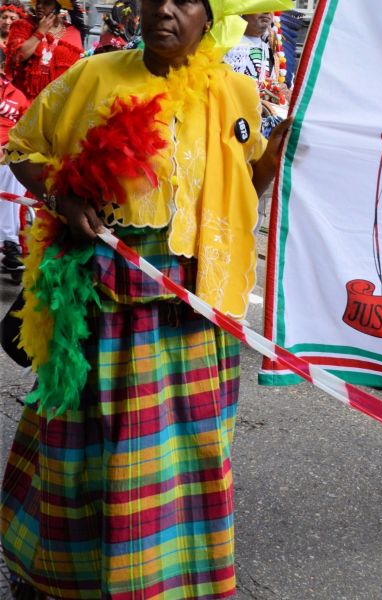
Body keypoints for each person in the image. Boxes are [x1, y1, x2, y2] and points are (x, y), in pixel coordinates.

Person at [0, 0, 293, 596]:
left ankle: (170, 580)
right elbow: (23, 150)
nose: (165, 10)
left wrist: (274, 153)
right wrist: (64, 197)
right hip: (102, 311)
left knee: (184, 459)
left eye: (185, 0)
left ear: (207, 18)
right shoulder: (94, 76)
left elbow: (245, 191)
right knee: (86, 457)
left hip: (196, 310)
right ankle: (66, 578)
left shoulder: (237, 94)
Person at [4, 0, 82, 100]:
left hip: (55, 101)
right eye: (38, 1)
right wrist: (40, 32)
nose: (39, 6)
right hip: (24, 99)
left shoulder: (72, 31)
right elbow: (17, 56)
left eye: (46, 2)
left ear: (58, 6)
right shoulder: (22, 25)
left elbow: (74, 72)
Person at [0, 44, 28, 279]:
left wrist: (8, 147)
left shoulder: (18, 96)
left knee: (14, 168)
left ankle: (9, 243)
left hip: (7, 155)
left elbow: (26, 131)